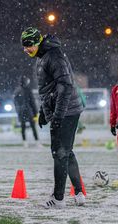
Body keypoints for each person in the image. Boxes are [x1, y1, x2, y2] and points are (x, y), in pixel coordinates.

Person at [21, 27, 85, 208]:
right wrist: (43, 110)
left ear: (38, 42)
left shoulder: (54, 56)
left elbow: (65, 87)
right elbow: (48, 89)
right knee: (66, 151)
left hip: (67, 110)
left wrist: (58, 116)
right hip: (63, 110)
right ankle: (79, 193)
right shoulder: (42, 56)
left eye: (29, 45)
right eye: (24, 46)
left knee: (59, 153)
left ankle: (58, 199)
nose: (26, 50)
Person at [13, 75, 39, 147]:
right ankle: (37, 141)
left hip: (21, 112)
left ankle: (25, 142)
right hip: (29, 111)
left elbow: (15, 102)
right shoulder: (28, 90)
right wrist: (36, 112)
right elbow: (32, 102)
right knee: (33, 126)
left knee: (23, 127)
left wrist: (18, 110)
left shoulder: (17, 91)